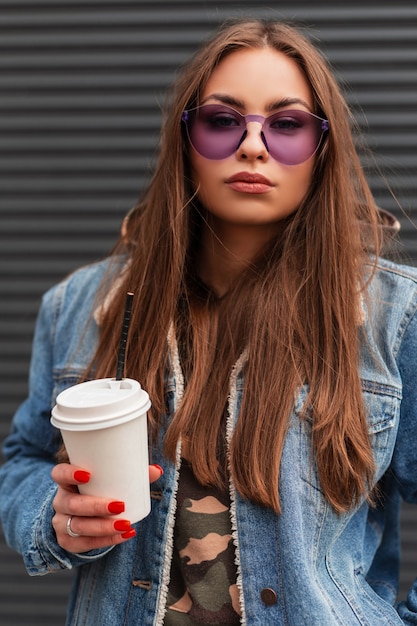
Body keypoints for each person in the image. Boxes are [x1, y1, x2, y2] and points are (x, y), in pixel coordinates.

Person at [0, 17, 417, 626]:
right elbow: (23, 460)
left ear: (321, 149)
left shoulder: (393, 318)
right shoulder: (80, 306)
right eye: (223, 121)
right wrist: (54, 516)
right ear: (186, 140)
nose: (253, 146)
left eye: (287, 125)